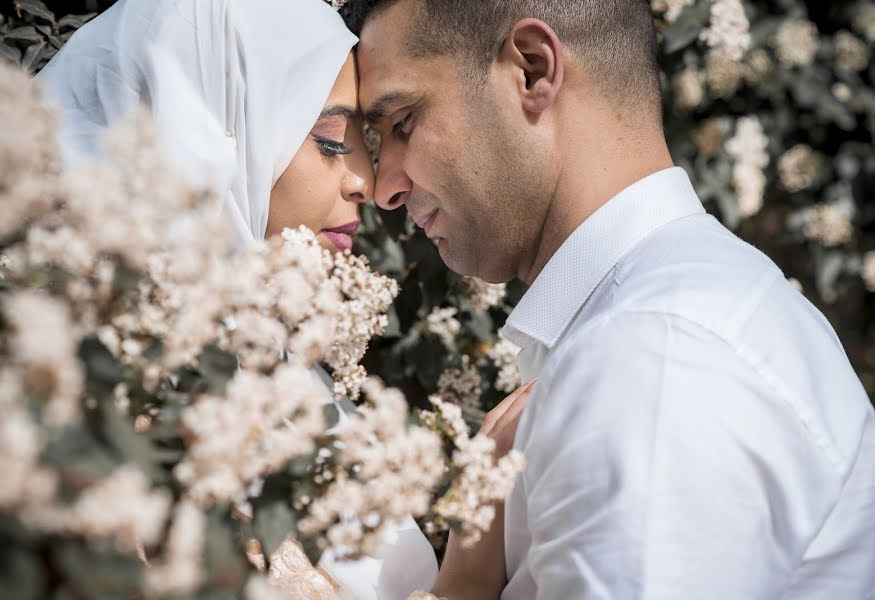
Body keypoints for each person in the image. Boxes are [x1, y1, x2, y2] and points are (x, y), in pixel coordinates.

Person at [341, 0, 875, 598]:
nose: (385, 185)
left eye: (404, 122)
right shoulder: (673, 323)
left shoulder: (653, 360)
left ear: (532, 71)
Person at [36, 0, 442, 597]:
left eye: (368, 144)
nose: (365, 182)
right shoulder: (88, 403)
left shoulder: (275, 373)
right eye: (331, 140)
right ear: (200, 130)